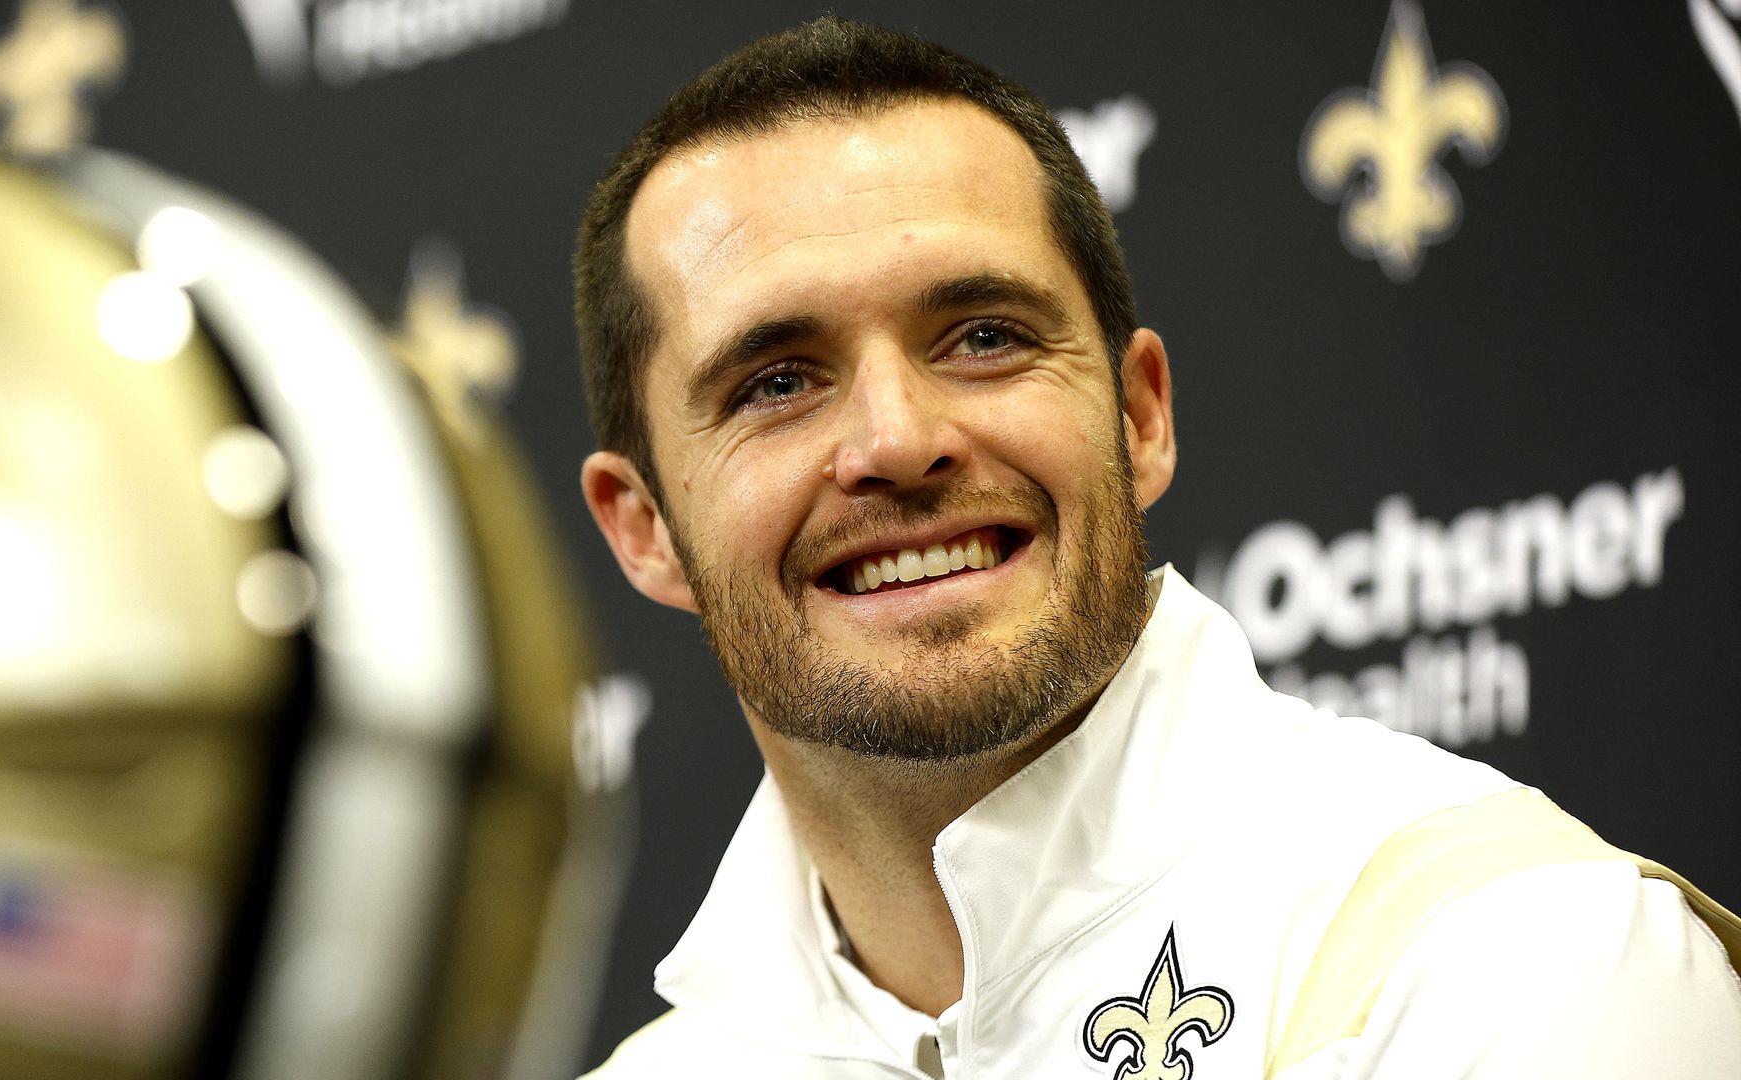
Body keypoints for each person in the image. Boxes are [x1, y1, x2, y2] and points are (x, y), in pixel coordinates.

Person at [571, 16, 1741, 1078]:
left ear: (1139, 418)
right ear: (645, 528)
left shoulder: (1520, 957)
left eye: (983, 335)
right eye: (778, 382)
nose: (899, 439)